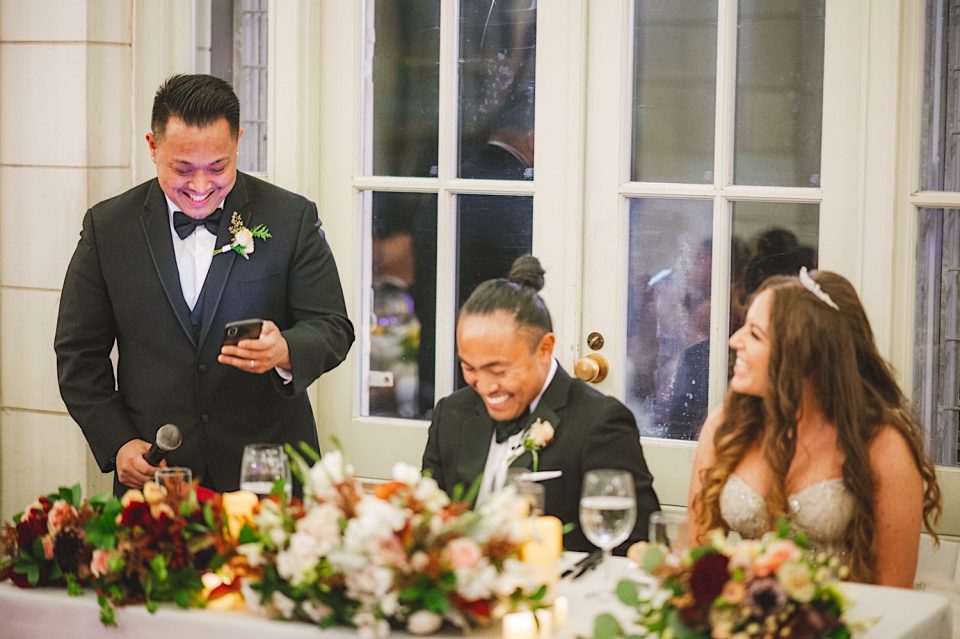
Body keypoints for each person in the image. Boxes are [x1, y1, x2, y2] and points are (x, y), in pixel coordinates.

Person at [55, 74, 354, 494]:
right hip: (158, 477)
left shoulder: (291, 218)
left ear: (238, 143)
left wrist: (285, 350)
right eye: (182, 169)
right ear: (153, 147)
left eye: (217, 167)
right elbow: (78, 355)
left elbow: (332, 326)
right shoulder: (108, 228)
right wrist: (118, 442)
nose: (199, 188)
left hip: (266, 474)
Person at [688, 268, 941, 587]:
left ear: (803, 356)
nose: (733, 340)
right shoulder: (727, 427)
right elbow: (699, 564)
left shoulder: (882, 444)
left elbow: (893, 588)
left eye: (754, 334)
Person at [422, 255, 661, 552]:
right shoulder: (452, 414)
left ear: (545, 348)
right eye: (469, 368)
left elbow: (636, 544)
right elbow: (427, 522)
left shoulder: (600, 422)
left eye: (498, 370)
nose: (484, 386)